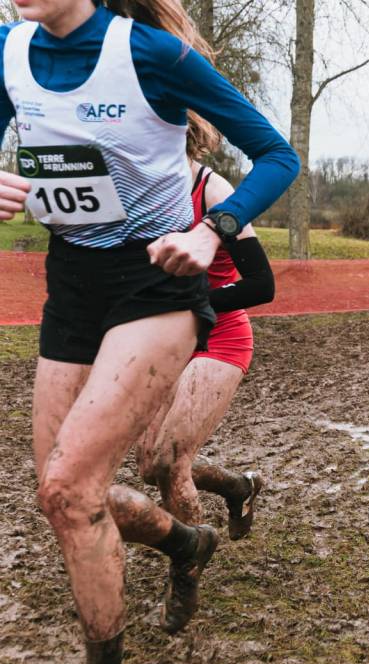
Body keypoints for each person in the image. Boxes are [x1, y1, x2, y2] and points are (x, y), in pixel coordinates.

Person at [1, 0, 299, 664]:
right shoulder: (8, 52)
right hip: (72, 287)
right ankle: (186, 544)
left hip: (157, 286)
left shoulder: (151, 55)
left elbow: (278, 156)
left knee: (102, 479)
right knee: (63, 497)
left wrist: (213, 231)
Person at [136, 143, 274, 540]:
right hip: (167, 341)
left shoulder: (214, 193)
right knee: (150, 467)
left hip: (220, 337)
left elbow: (262, 284)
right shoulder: (139, 191)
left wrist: (190, 304)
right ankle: (239, 487)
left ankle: (189, 561)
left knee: (171, 461)